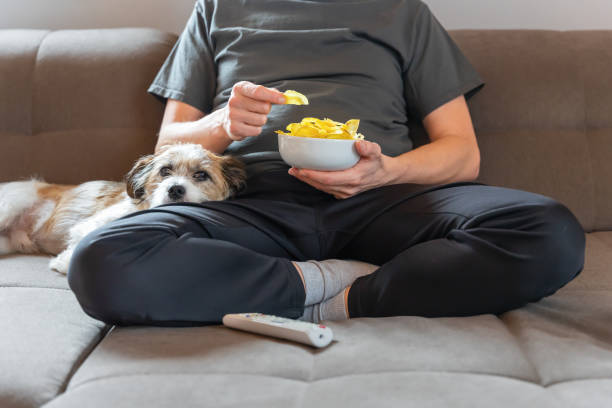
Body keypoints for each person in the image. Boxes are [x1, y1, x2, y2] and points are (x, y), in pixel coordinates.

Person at [68, 0, 585, 326]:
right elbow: (168, 145)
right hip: (251, 201)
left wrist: (391, 171)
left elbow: (462, 152)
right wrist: (223, 123)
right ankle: (316, 288)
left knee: (547, 230)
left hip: (385, 196)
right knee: (101, 259)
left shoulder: (403, 11)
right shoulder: (216, 7)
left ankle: (349, 298)